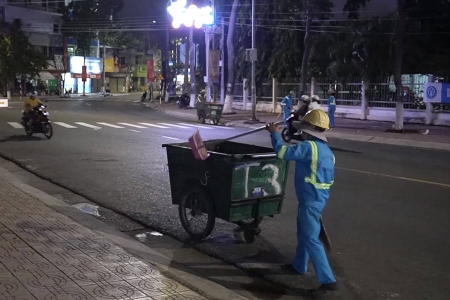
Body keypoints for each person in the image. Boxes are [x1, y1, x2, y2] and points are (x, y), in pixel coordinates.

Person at [265, 109, 337, 295]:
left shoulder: (308, 148)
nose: (301, 132)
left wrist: (273, 133)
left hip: (310, 201)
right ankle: (299, 265)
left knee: (311, 239)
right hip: (318, 199)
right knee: (305, 232)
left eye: (303, 129)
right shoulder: (328, 152)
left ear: (309, 130)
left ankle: (328, 281)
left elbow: (282, 152)